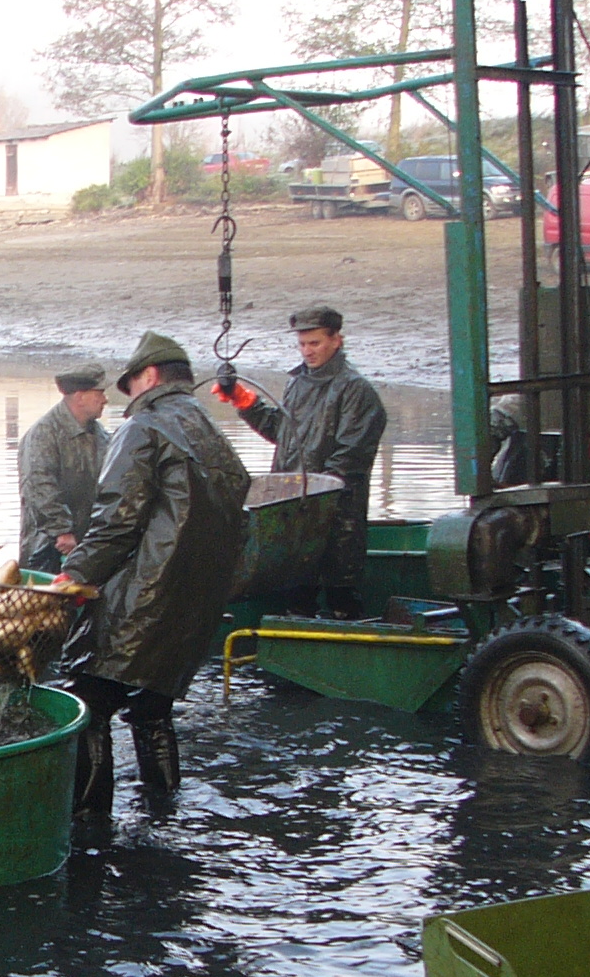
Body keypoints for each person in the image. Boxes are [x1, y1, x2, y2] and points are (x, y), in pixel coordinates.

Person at [57, 333, 252, 806]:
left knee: (89, 701)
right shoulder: (210, 430)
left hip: (144, 600)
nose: (130, 399)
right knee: (151, 708)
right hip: (195, 606)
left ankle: (90, 830)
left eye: (132, 386)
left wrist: (75, 573)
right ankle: (163, 810)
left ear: (148, 376)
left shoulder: (143, 427)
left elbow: (117, 520)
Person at [214, 305, 384, 618]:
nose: (307, 351)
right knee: (295, 596)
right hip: (296, 513)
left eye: (315, 343)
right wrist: (244, 400)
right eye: (302, 344)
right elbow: (282, 431)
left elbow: (351, 455)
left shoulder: (355, 390)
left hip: (335, 515)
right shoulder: (297, 383)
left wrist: (312, 494)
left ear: (337, 340)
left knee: (341, 596)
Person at [18, 361, 110, 574]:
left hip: (85, 543)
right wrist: (62, 531)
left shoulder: (100, 435)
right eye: (99, 393)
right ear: (80, 397)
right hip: (46, 548)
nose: (105, 399)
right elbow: (39, 486)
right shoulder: (43, 434)